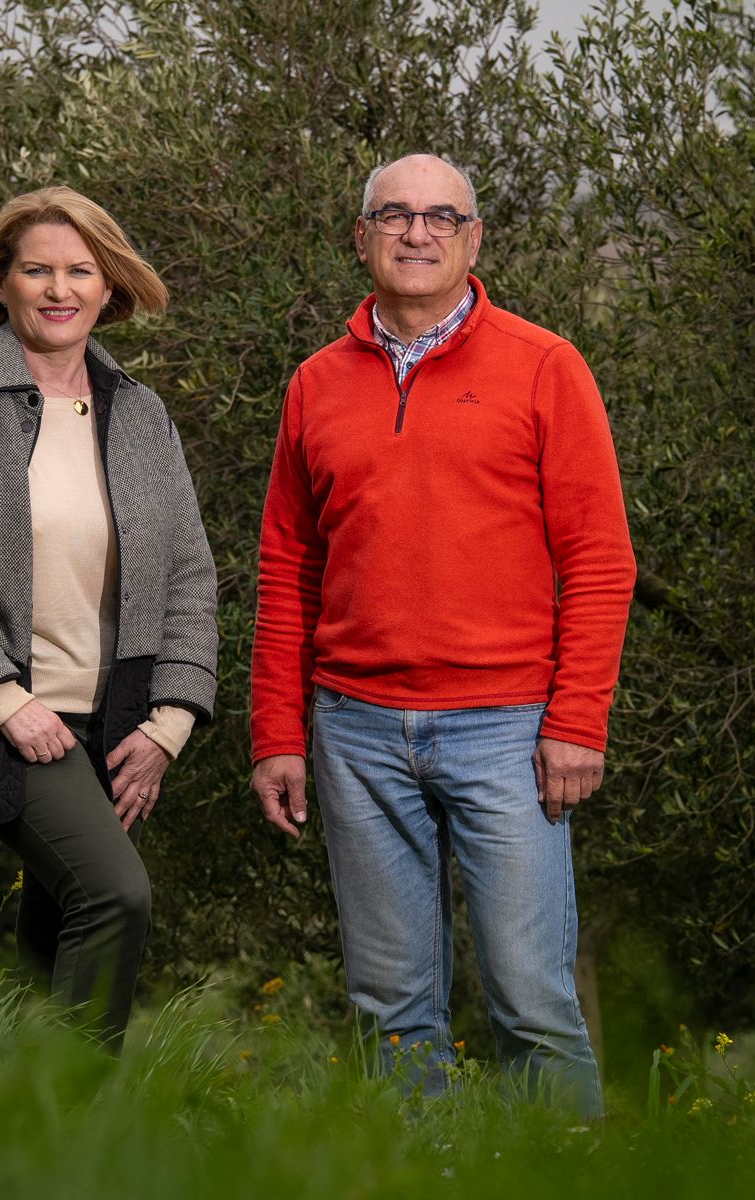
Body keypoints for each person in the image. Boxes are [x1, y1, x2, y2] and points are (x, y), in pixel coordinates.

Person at [249, 154, 635, 1115]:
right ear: (361, 236)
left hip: (508, 730)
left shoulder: (546, 367)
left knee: (533, 1004)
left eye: (439, 217)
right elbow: (286, 571)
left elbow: (599, 558)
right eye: (394, 215)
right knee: (389, 1009)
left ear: (473, 239)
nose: (416, 233)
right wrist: (278, 735)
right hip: (356, 731)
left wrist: (578, 719)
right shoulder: (315, 385)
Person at [0, 186, 219, 1047]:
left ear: (109, 288)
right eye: (36, 270)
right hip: (7, 718)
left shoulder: (141, 416)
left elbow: (187, 575)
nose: (58, 289)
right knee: (115, 894)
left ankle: (7, 1129)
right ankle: (75, 1131)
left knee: (54, 933)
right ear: (0, 284)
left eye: (80, 271)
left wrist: (171, 722)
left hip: (117, 720)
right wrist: (5, 699)